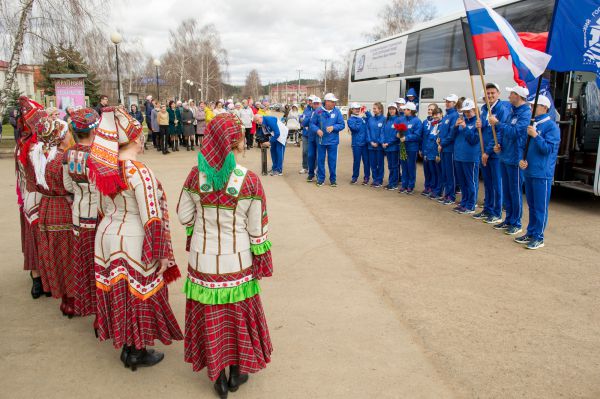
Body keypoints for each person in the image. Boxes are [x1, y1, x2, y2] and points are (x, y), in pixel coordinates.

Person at [177, 114, 273, 398]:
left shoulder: (196, 176)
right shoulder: (249, 181)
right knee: (236, 316)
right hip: (237, 261)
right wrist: (261, 257)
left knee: (210, 315)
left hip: (202, 261)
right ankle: (237, 371)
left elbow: (184, 216)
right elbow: (257, 231)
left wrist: (200, 227)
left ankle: (216, 373)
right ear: (236, 143)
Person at [88, 106, 183, 369]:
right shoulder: (138, 171)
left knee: (119, 291)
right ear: (135, 139)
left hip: (107, 235)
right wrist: (161, 253)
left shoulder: (102, 168)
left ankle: (126, 344)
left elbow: (100, 207)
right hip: (133, 238)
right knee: (139, 294)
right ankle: (136, 349)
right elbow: (151, 215)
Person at [29, 106, 75, 316]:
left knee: (55, 256)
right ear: (59, 137)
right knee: (68, 256)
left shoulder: (38, 155)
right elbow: (70, 187)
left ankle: (63, 298)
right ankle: (72, 300)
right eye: (65, 134)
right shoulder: (61, 159)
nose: (68, 137)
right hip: (62, 209)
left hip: (46, 208)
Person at [62, 107, 101, 327]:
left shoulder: (68, 154)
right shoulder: (97, 155)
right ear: (94, 130)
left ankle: (88, 305)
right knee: (99, 265)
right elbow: (102, 189)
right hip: (96, 215)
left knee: (84, 263)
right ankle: (101, 314)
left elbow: (67, 185)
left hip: (78, 215)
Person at [515, 95, 560, 249]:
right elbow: (523, 145)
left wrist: (536, 135)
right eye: (531, 105)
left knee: (540, 207)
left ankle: (539, 237)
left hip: (542, 173)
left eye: (535, 106)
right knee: (532, 205)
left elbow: (547, 149)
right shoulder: (532, 125)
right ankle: (531, 232)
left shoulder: (551, 127)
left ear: (544, 108)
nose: (531, 108)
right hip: (529, 170)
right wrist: (522, 159)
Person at [16, 96, 48, 298]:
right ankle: (38, 277)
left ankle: (39, 277)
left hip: (32, 197)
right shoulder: (33, 147)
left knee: (37, 236)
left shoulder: (28, 144)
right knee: (38, 236)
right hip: (37, 196)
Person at [489, 86, 531, 236]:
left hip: (516, 158)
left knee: (515, 191)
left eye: (511, 93)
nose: (509, 96)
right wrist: (498, 143)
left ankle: (516, 222)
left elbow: (515, 133)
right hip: (505, 156)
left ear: (518, 96)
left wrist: (498, 123)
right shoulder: (512, 111)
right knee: (507, 190)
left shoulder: (526, 114)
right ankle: (508, 219)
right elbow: (502, 132)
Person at [475, 83, 511, 224]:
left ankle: (497, 212)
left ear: (498, 93)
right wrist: (481, 125)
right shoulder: (484, 110)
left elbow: (499, 133)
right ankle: (488, 209)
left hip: (494, 154)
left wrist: (488, 152)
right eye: (487, 93)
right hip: (483, 152)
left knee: (496, 184)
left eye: (492, 93)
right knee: (488, 184)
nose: (489, 95)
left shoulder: (501, 110)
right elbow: (485, 130)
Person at [452, 99, 481, 214]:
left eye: (469, 111)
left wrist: (465, 128)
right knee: (463, 181)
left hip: (470, 157)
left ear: (474, 110)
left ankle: (471, 204)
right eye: (465, 111)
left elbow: (474, 140)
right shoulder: (462, 121)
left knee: (471, 182)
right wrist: (455, 127)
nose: (467, 113)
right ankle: (464, 202)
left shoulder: (477, 123)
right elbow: (452, 136)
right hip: (459, 156)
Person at [310, 93, 345, 187]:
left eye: (334, 102)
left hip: (333, 141)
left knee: (332, 160)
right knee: (320, 160)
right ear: (326, 101)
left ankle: (333, 179)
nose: (334, 103)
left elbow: (342, 124)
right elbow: (312, 124)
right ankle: (321, 179)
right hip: (321, 141)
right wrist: (317, 130)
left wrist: (333, 127)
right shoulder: (318, 111)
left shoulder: (337, 112)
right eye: (332, 102)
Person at [437, 94, 460, 205]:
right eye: (446, 101)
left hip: (449, 149)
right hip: (444, 148)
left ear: (455, 103)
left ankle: (451, 196)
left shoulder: (455, 115)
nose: (447, 103)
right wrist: (439, 139)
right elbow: (443, 131)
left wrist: (443, 143)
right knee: (445, 173)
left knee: (451, 173)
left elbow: (452, 134)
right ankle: (446, 194)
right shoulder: (446, 115)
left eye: (449, 101)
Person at [399, 102, 422, 194]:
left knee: (411, 166)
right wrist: (399, 134)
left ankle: (410, 186)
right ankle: (404, 184)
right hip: (403, 147)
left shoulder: (417, 121)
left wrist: (406, 138)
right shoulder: (403, 119)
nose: (404, 111)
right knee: (404, 166)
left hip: (412, 148)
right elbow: (400, 131)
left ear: (411, 111)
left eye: (406, 109)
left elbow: (417, 135)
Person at [423, 106, 444, 200]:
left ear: (441, 114)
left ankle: (438, 191)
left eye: (437, 114)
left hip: (437, 154)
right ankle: (433, 189)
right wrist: (426, 153)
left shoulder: (442, 125)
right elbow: (429, 140)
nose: (435, 116)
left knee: (438, 173)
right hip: (430, 153)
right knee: (433, 173)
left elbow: (440, 141)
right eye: (434, 114)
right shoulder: (433, 125)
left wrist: (438, 154)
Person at [347, 103, 370, 185]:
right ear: (351, 110)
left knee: (366, 162)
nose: (357, 110)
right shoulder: (350, 120)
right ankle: (354, 177)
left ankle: (366, 177)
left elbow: (370, 119)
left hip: (365, 144)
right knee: (357, 161)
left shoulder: (363, 117)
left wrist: (367, 112)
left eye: (358, 108)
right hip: (356, 144)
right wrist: (360, 119)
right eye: (355, 108)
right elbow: (356, 128)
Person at [366, 102, 386, 188]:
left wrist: (378, 142)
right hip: (371, 145)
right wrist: (370, 142)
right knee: (373, 164)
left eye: (375, 108)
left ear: (380, 109)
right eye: (373, 108)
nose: (373, 110)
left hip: (379, 146)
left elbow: (383, 132)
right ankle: (375, 179)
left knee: (380, 164)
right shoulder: (371, 119)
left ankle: (380, 180)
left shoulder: (384, 119)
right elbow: (368, 131)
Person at [382, 103, 401, 190]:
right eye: (390, 109)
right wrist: (382, 142)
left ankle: (394, 183)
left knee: (394, 166)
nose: (391, 110)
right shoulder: (386, 120)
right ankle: (391, 182)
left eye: (393, 109)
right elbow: (382, 132)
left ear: (396, 110)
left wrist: (388, 143)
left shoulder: (398, 120)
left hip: (394, 147)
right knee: (390, 166)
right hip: (387, 147)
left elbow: (397, 135)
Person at [421, 104, 436, 196]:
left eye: (432, 109)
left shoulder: (437, 123)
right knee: (426, 170)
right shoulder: (425, 122)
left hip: (432, 150)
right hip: (425, 149)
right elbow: (422, 136)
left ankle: (433, 187)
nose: (430, 111)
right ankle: (427, 186)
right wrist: (420, 149)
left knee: (432, 170)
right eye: (429, 109)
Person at [305, 97, 321, 182]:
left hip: (320, 138)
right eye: (315, 103)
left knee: (320, 157)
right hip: (311, 138)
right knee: (310, 156)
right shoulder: (309, 112)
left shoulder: (323, 112)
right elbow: (304, 123)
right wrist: (309, 117)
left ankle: (319, 174)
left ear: (320, 104)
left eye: (318, 103)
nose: (316, 105)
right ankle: (311, 174)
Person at [299, 96, 314, 174]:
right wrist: (301, 119)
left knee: (313, 152)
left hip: (314, 134)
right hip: (305, 134)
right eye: (309, 100)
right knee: (305, 151)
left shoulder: (317, 109)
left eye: (311, 100)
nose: (310, 102)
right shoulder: (306, 109)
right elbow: (301, 117)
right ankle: (305, 167)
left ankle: (314, 168)